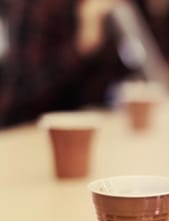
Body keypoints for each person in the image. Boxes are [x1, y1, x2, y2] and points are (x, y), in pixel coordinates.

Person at [0, 0, 126, 128]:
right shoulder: (37, 7)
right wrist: (83, 46)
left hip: (90, 127)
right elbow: (29, 90)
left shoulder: (110, 9)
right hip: (27, 128)